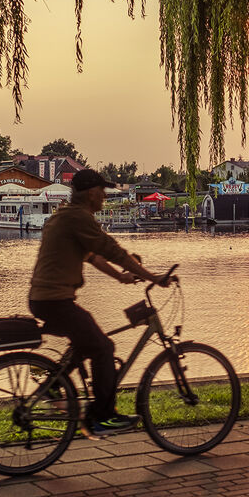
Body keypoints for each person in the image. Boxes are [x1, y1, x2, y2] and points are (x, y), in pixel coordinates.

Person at [28, 169, 171, 435]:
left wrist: (121, 278)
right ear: (92, 193)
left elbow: (92, 256)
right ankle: (102, 417)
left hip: (44, 299)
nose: (104, 197)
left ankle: (51, 387)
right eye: (102, 192)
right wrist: (155, 277)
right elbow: (111, 250)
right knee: (104, 347)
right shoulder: (79, 218)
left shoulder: (63, 216)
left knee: (86, 342)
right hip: (55, 301)